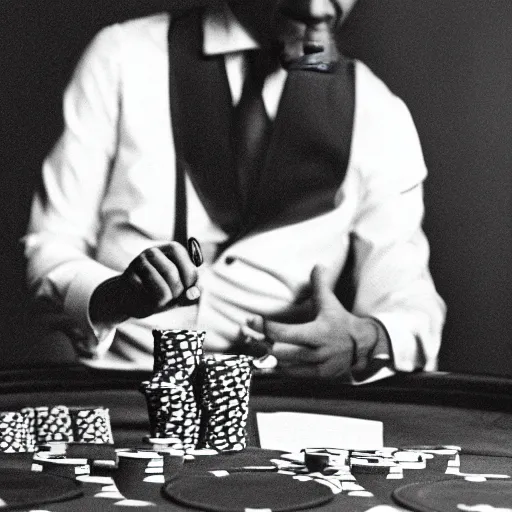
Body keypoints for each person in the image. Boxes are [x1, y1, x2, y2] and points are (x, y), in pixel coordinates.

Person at [23, 0, 446, 381]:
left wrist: (363, 339)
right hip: (119, 388)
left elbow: (411, 302)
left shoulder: (379, 113)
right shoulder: (122, 56)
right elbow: (49, 248)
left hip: (280, 408)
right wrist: (112, 297)